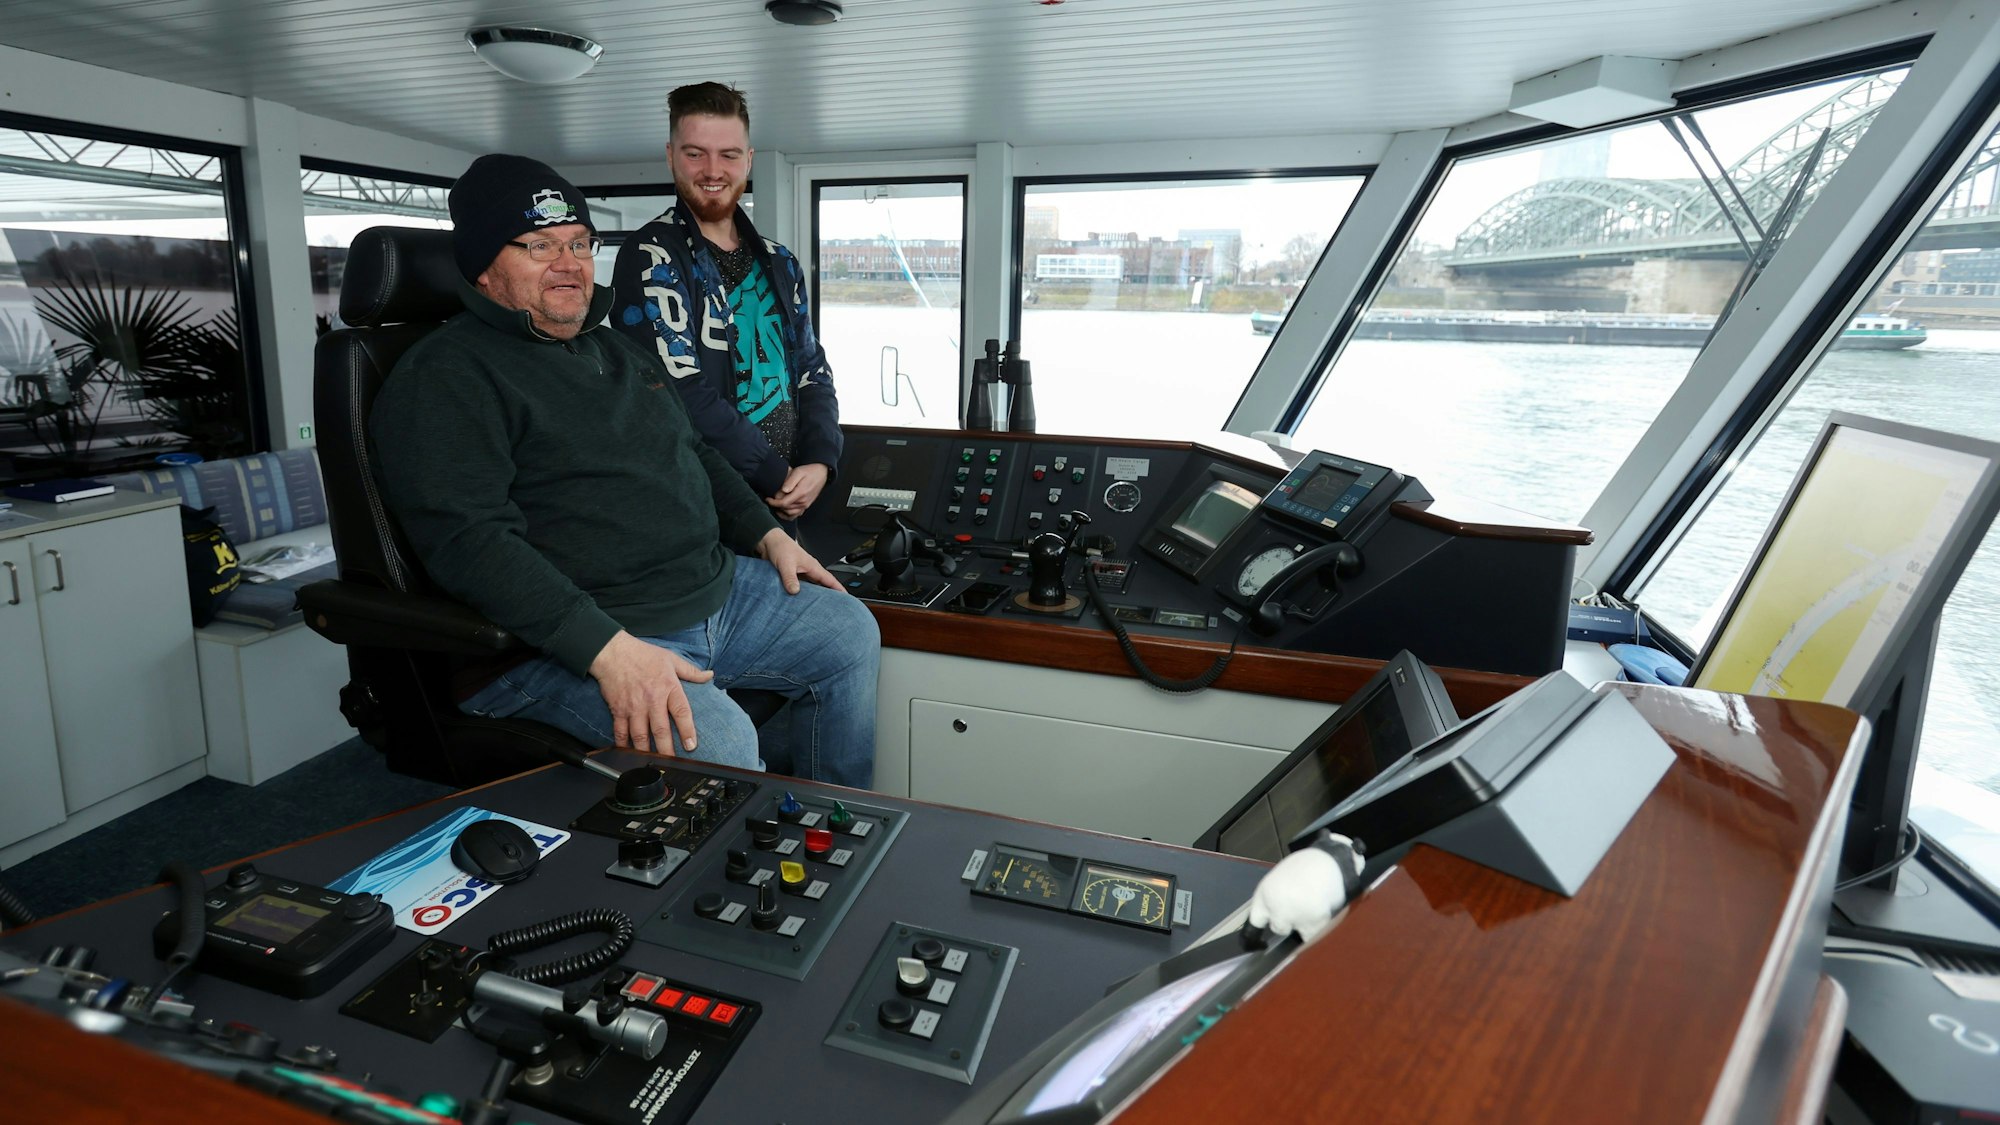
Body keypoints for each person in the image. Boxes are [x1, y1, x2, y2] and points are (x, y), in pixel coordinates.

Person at [369, 153, 878, 788]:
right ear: (481, 266)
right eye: (539, 246)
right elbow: (470, 543)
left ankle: (828, 831)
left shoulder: (614, 349)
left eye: (580, 244)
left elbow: (695, 452)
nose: (569, 264)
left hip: (706, 593)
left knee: (848, 631)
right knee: (720, 740)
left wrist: (766, 535)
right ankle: (745, 876)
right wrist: (609, 651)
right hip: (575, 637)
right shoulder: (445, 375)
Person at [610, 81, 840, 528]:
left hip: (789, 498)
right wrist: (775, 475)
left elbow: (812, 367)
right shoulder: (651, 256)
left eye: (729, 154)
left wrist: (821, 459)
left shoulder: (780, 261)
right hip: (706, 508)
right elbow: (680, 391)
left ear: (748, 160)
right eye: (695, 153)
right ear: (671, 155)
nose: (712, 170)